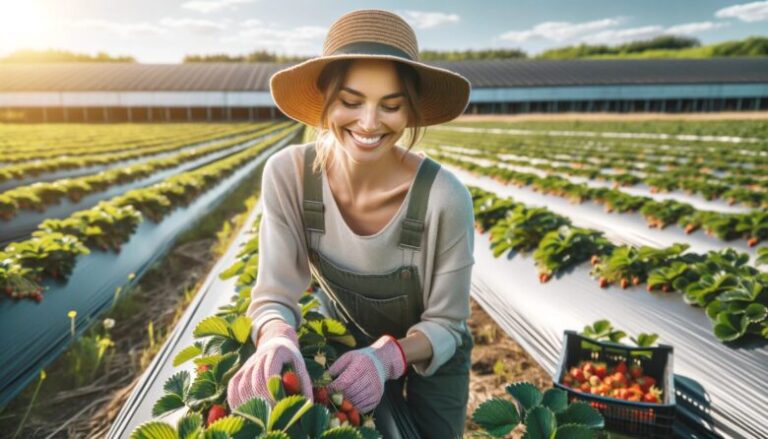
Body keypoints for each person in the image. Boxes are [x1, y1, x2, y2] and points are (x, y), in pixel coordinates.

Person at [226, 9, 475, 438]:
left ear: (411, 111)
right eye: (351, 101)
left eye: (391, 106)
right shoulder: (289, 176)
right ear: (326, 100)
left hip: (433, 353)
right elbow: (274, 294)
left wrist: (389, 357)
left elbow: (447, 323)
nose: (369, 123)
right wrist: (276, 336)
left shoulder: (444, 197)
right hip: (349, 340)